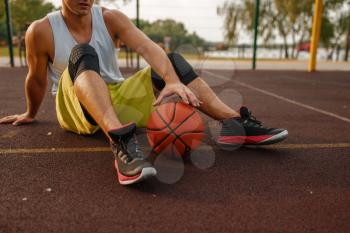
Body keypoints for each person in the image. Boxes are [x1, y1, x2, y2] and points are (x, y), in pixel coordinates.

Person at [0, 0, 288, 185]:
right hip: (75, 104)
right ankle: (122, 146)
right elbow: (36, 79)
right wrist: (30, 112)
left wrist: (172, 81)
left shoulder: (111, 18)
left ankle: (234, 123)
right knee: (81, 53)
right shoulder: (41, 30)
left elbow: (149, 48)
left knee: (171, 61)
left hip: (117, 95)